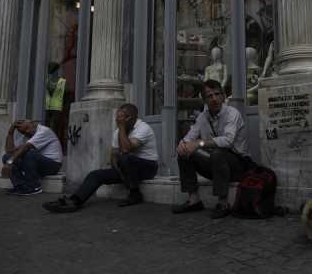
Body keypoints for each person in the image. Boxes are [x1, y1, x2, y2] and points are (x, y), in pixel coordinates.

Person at [42, 103, 158, 213]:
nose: (117, 120)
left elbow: (126, 149)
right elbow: (113, 157)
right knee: (95, 175)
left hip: (148, 167)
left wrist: (122, 127)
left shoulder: (143, 128)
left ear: (130, 118)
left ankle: (135, 194)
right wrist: (120, 172)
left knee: (125, 158)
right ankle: (75, 201)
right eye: (117, 117)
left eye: (121, 117)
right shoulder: (118, 131)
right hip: (126, 169)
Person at [172, 79, 251, 219]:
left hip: (238, 165)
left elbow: (227, 141)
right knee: (185, 153)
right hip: (216, 166)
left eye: (217, 94)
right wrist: (182, 144)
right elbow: (190, 137)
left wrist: (199, 143)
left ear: (223, 96)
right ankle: (194, 200)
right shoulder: (203, 117)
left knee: (217, 153)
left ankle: (223, 203)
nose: (214, 99)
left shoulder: (232, 113)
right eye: (209, 96)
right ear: (204, 100)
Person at [1, 120, 63, 195]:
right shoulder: (27, 136)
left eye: (27, 128)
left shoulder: (44, 131)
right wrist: (10, 133)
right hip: (36, 165)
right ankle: (20, 186)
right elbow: (9, 151)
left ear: (33, 123)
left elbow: (26, 147)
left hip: (53, 165)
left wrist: (9, 163)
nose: (27, 132)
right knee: (7, 157)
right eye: (24, 132)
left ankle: (34, 187)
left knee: (29, 153)